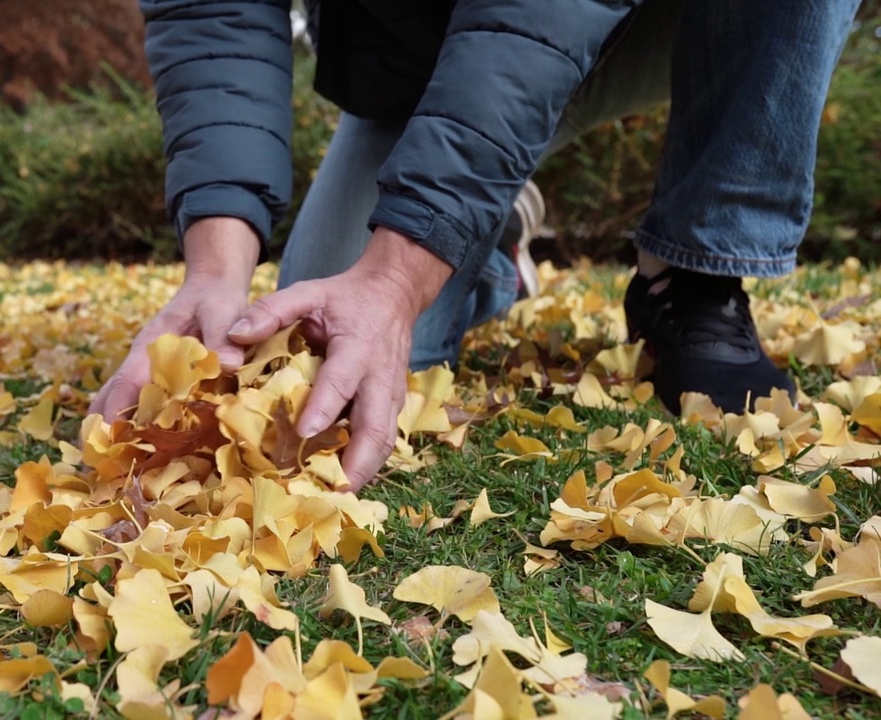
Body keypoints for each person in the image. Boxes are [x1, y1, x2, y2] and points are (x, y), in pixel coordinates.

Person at [91, 0, 862, 491]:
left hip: (668, 18)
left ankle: (695, 273)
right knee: (314, 352)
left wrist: (398, 274)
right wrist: (217, 267)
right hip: (428, 61)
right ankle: (493, 236)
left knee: (377, 306)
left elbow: (538, 14)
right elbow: (213, 10)